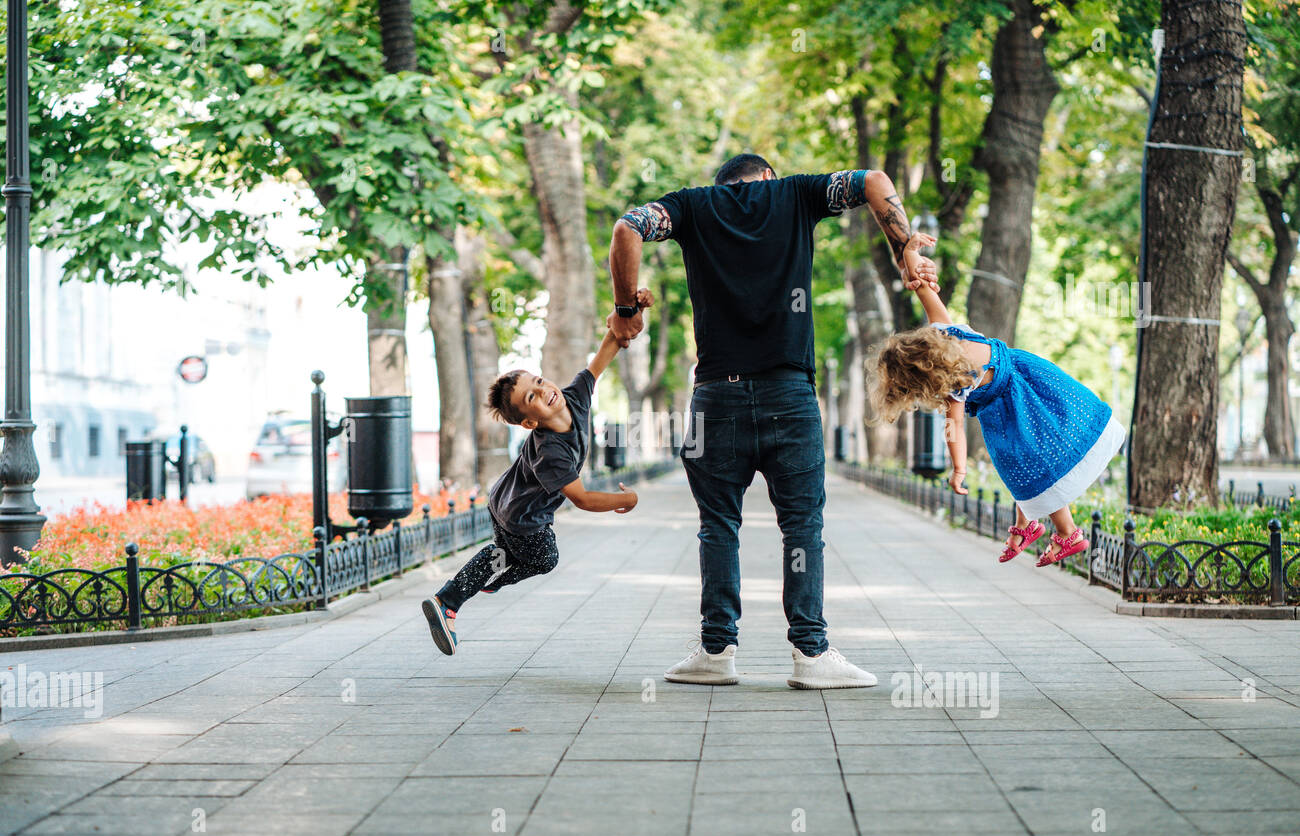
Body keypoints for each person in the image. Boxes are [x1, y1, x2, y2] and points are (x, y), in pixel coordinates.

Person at [608, 154, 938, 689]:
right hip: (791, 395)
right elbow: (875, 181)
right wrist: (904, 252)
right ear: (766, 175)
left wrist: (627, 309)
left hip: (714, 399)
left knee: (718, 526)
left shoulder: (691, 206)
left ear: (724, 184)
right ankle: (811, 655)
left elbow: (627, 229)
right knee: (802, 528)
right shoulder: (795, 194)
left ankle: (716, 652)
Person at [870, 232, 1126, 566]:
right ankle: (1027, 525)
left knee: (1029, 464)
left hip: (1010, 409)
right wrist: (910, 253)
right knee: (1024, 460)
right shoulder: (946, 329)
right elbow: (922, 286)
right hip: (1031, 378)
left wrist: (958, 468)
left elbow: (954, 429)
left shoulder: (954, 384)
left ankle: (1068, 533)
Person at [421, 291, 650, 655]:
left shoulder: (575, 396)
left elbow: (605, 351)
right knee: (544, 559)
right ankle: (456, 593)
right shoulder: (552, 453)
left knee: (505, 554)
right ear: (529, 422)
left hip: (502, 499)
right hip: (523, 517)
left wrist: (627, 309)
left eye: (539, 381)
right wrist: (627, 499)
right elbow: (584, 499)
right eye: (533, 397)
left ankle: (460, 593)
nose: (545, 391)